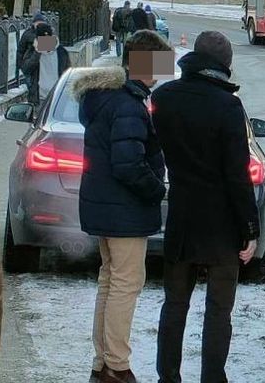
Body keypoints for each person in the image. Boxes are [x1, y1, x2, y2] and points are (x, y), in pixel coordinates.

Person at [151, 32, 260, 383]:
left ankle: (168, 375)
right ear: (225, 65)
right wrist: (250, 229)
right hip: (221, 225)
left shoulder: (164, 98)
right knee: (218, 311)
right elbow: (237, 175)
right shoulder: (229, 106)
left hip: (182, 217)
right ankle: (213, 377)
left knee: (174, 305)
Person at [77, 30, 172, 383]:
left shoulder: (107, 98)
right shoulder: (128, 104)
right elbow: (128, 163)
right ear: (143, 64)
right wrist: (155, 190)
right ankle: (117, 364)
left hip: (105, 207)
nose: (162, 72)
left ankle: (103, 361)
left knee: (109, 281)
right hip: (124, 210)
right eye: (159, 64)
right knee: (125, 284)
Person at [19, 22, 72, 110]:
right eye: (43, 40)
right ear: (38, 40)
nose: (46, 43)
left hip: (57, 98)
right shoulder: (33, 52)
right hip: (39, 99)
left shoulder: (61, 52)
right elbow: (26, 69)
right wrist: (37, 52)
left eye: (48, 39)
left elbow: (68, 74)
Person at [15, 11, 48, 83]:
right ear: (34, 23)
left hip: (42, 68)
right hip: (29, 65)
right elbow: (20, 50)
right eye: (38, 23)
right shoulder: (27, 34)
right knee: (32, 88)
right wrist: (19, 65)